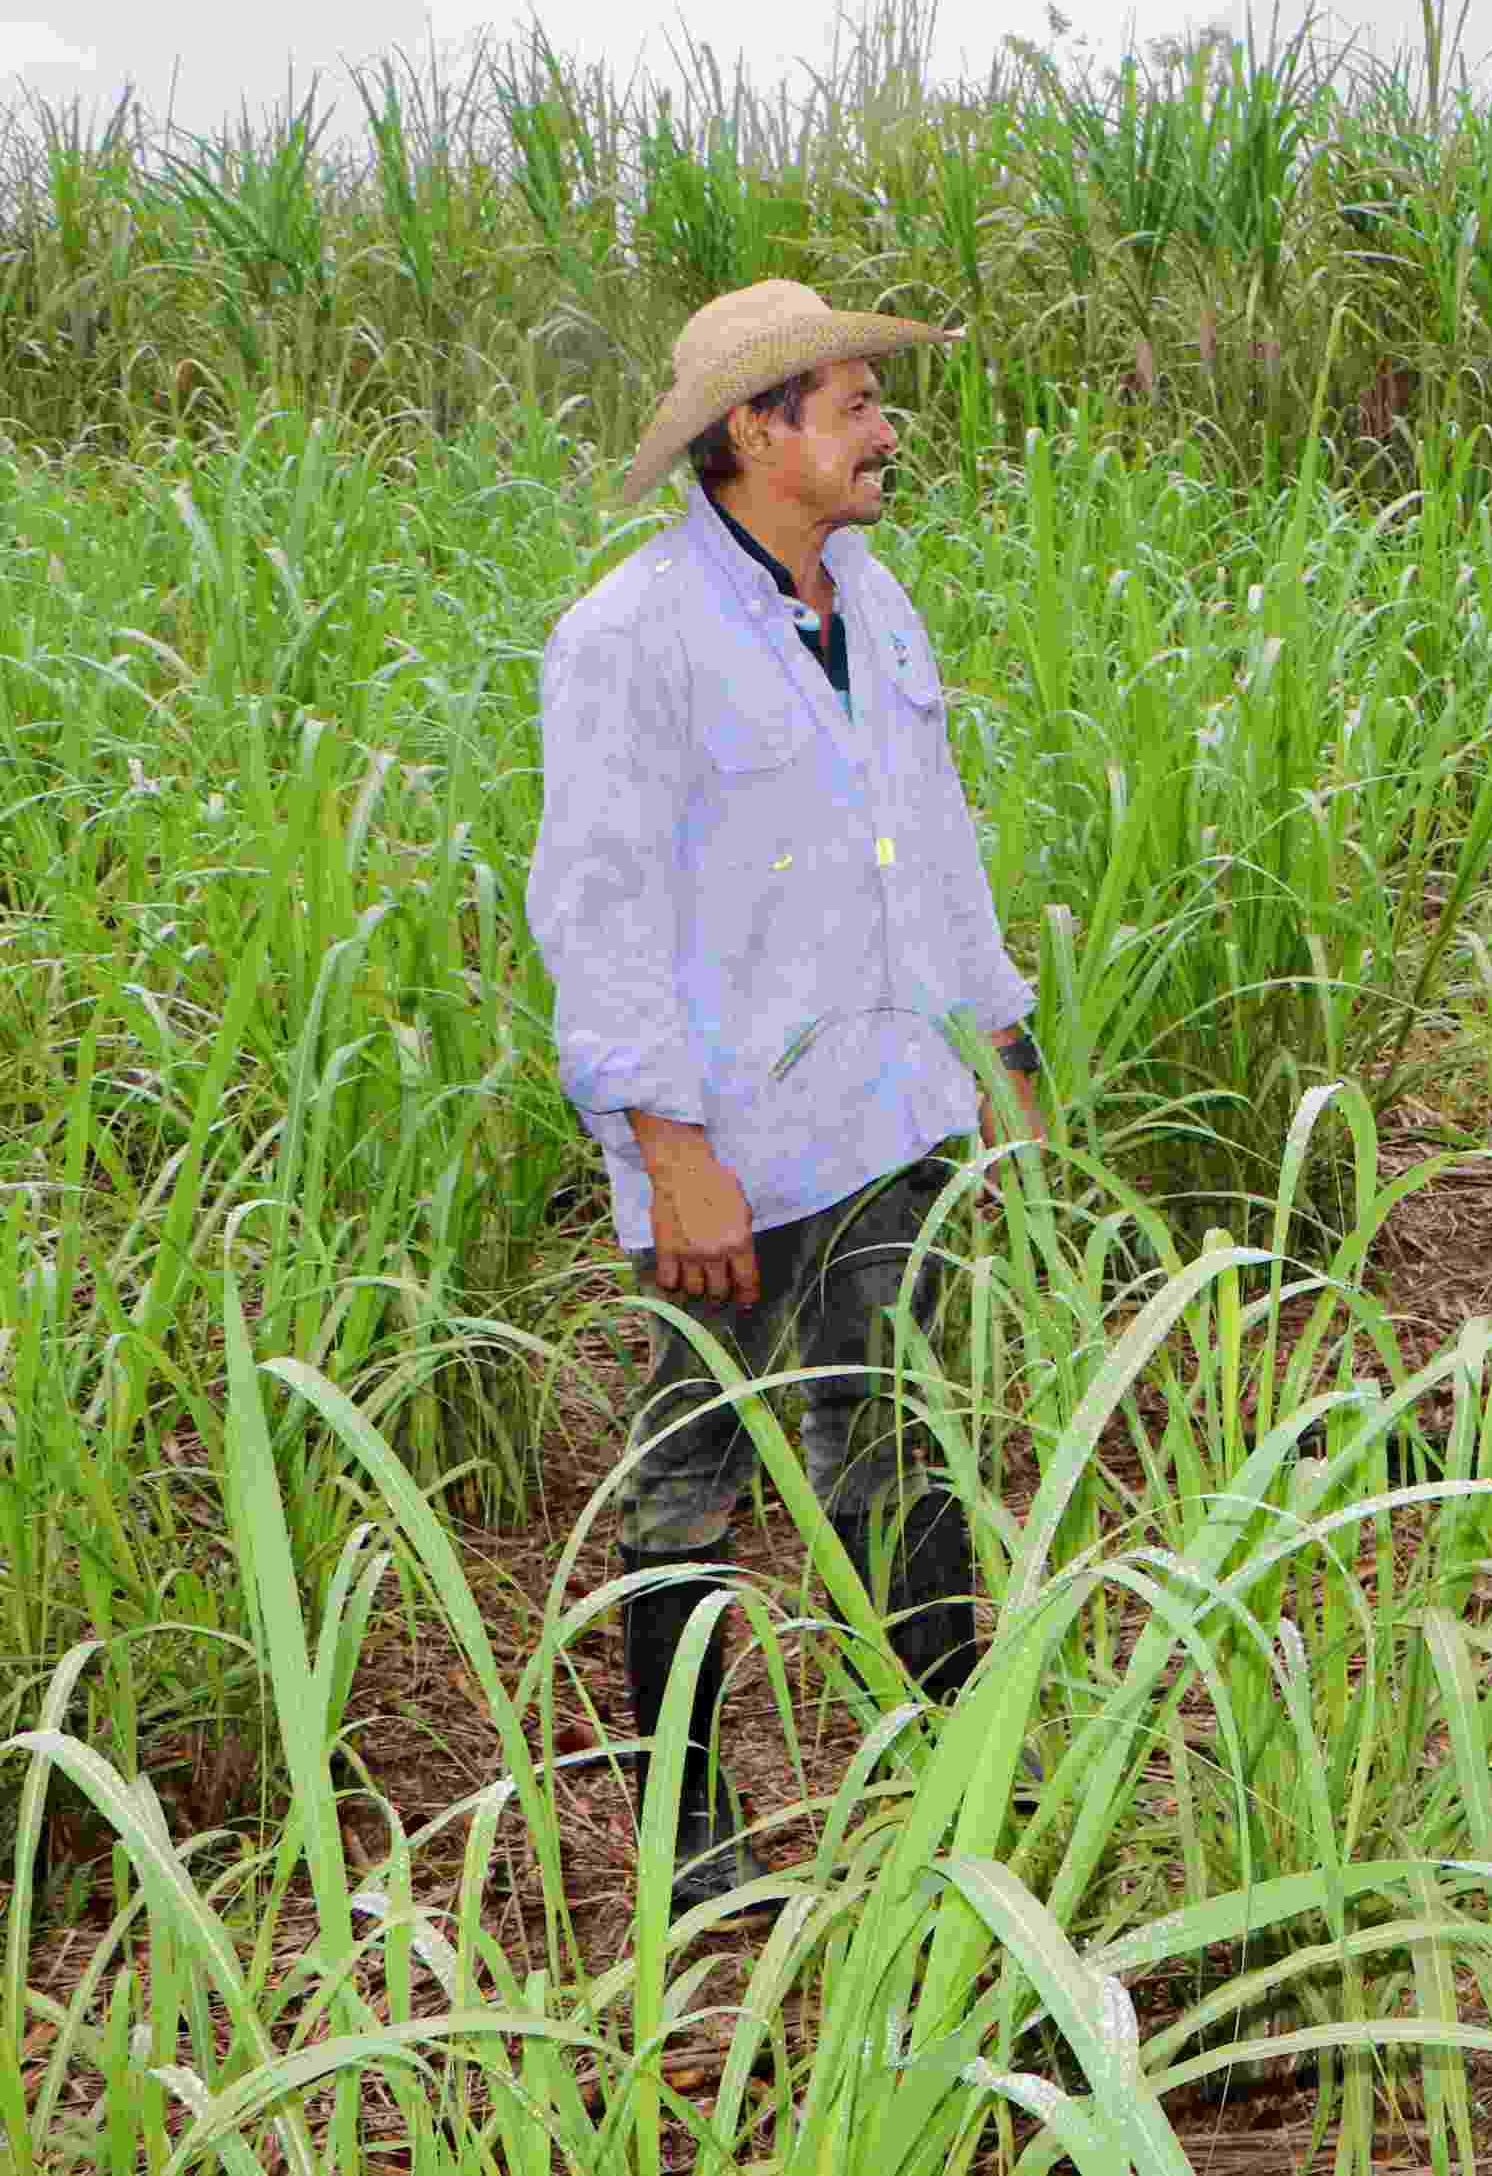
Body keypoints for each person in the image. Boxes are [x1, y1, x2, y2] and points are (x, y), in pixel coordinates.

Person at [529, 278, 1041, 1914]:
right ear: (759, 430)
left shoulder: (876, 606)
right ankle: (692, 1844)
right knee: (692, 1485)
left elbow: (936, 847)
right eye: (854, 404)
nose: (887, 432)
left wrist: (1003, 1047)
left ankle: (948, 1765)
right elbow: (596, 908)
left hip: (894, 1116)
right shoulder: (629, 641)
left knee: (899, 1445)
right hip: (731, 1156)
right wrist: (668, 1148)